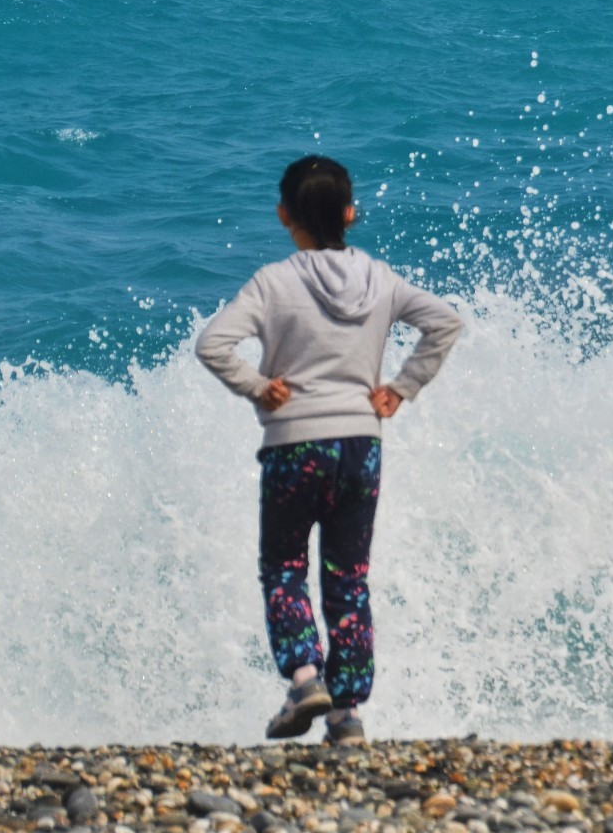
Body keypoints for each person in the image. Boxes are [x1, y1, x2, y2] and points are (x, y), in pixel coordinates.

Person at [196, 154, 465, 744]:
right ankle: (346, 715)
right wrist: (402, 387)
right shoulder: (382, 280)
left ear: (283, 215)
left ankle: (303, 675)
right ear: (349, 213)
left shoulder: (274, 282)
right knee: (349, 579)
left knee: (285, 568)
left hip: (295, 444)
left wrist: (259, 387)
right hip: (360, 446)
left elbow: (213, 344)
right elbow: (445, 322)